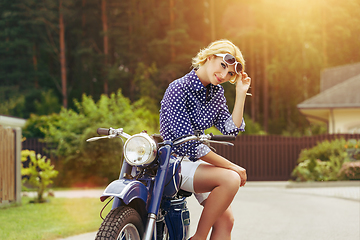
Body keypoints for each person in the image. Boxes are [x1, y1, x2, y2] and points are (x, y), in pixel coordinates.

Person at [159, 39, 251, 240]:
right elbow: (187, 143)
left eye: (230, 74)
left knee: (226, 221)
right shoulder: (178, 88)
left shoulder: (216, 93)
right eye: (223, 66)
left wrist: (241, 94)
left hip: (193, 164)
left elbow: (230, 130)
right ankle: (199, 237)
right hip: (173, 163)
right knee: (231, 178)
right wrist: (232, 166)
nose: (224, 75)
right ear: (210, 57)